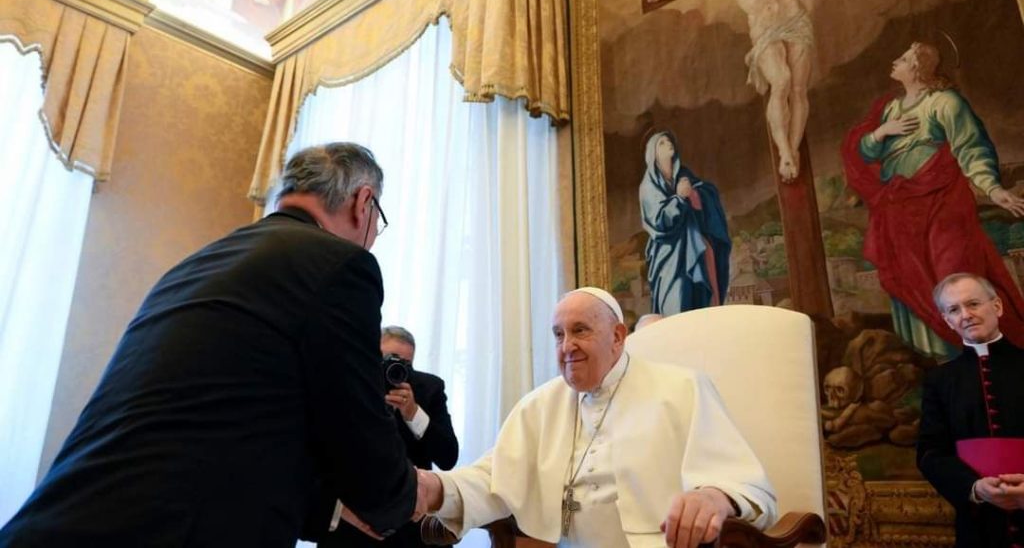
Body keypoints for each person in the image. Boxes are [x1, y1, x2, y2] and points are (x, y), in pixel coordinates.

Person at [0, 142, 424, 547]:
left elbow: (224, 430)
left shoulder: (200, 262)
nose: (373, 236)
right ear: (363, 202)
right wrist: (412, 497)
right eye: (378, 220)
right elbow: (359, 435)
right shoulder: (341, 265)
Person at [414, 286, 777, 548]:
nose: (567, 346)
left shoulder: (683, 388)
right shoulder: (539, 405)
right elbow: (494, 478)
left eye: (580, 330)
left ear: (617, 336)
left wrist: (712, 497)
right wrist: (438, 488)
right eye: (558, 335)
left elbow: (739, 481)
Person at [644, 0, 887, 181]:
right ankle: (785, 151)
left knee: (798, 89)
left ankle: (791, 152)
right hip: (763, 28)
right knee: (780, 80)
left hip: (793, 19)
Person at [842, 42, 1024, 360]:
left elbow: (970, 147)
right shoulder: (891, 109)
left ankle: (976, 352)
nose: (894, 62)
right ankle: (936, 357)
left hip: (941, 203)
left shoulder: (944, 102)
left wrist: (992, 188)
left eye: (902, 58)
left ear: (918, 67)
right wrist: (881, 132)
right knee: (908, 277)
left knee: (951, 272)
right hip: (899, 211)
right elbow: (867, 153)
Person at [315, 326, 459, 548]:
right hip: (353, 516)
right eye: (386, 359)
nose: (394, 368)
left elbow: (448, 457)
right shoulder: (348, 384)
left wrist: (414, 414)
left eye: (404, 364)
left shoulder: (429, 389)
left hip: (411, 517)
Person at [917, 273, 1024, 547]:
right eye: (954, 310)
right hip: (979, 527)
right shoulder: (939, 381)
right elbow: (930, 453)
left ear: (997, 306)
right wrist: (974, 487)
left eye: (973, 304)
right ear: (947, 321)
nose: (966, 315)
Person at [640, 131, 731, 315]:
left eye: (669, 140)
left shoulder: (684, 175)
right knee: (678, 297)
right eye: (661, 143)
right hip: (669, 255)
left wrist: (695, 194)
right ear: (653, 153)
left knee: (701, 300)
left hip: (695, 247)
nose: (668, 143)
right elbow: (658, 220)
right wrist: (679, 199)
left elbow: (705, 193)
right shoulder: (649, 186)